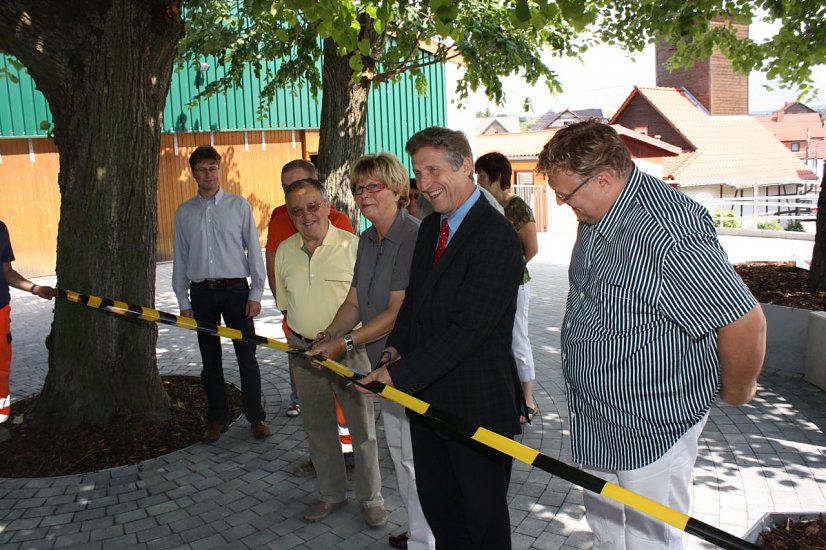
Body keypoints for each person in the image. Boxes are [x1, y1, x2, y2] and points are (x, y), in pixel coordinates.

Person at [536, 120, 766, 550]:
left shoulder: (665, 233)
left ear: (603, 179)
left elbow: (744, 321)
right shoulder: (600, 213)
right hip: (599, 419)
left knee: (649, 540)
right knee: (609, 531)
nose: (565, 205)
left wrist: (736, 391)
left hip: (650, 426)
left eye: (566, 196)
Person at [359, 127, 524, 549]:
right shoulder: (432, 227)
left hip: (477, 408)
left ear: (465, 166)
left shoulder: (496, 236)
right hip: (426, 402)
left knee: (482, 521)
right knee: (440, 508)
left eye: (434, 169)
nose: (425, 182)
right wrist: (397, 347)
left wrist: (397, 375)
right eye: (418, 172)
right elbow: (415, 301)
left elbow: (470, 329)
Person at [306, 153, 434, 550]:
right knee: (398, 452)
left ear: (397, 189)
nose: (363, 195)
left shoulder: (413, 235)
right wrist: (329, 333)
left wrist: (344, 343)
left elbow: (397, 312)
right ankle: (418, 530)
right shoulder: (367, 238)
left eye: (372, 186)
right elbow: (355, 301)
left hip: (412, 363)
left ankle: (429, 537)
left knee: (417, 458)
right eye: (358, 188)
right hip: (383, 361)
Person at [274, 178, 387, 528]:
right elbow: (284, 303)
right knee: (318, 428)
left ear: (327, 206)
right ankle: (331, 494)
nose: (306, 215)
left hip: (349, 350)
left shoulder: (355, 247)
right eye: (297, 210)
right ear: (289, 215)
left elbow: (369, 306)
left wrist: (345, 338)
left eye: (312, 206)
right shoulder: (284, 251)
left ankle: (372, 500)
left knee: (362, 430)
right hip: (304, 351)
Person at [172, 145, 270, 443]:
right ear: (193, 173)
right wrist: (183, 301)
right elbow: (181, 257)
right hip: (202, 293)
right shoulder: (184, 212)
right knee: (210, 360)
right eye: (202, 169)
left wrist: (255, 293)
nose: (208, 174)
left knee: (247, 358)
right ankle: (217, 418)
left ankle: (256, 417)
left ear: (219, 170)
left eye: (213, 168)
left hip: (236, 292)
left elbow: (254, 250)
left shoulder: (239, 206)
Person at [264, 159, 354, 418]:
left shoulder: (340, 222)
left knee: (349, 407)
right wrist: (290, 310)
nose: (295, 191)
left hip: (340, 332)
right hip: (298, 325)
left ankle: (348, 445)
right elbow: (275, 272)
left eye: (299, 182)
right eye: (287, 187)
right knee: (313, 402)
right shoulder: (279, 220)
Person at [475, 152, 539, 423]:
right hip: (492, 285)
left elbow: (531, 249)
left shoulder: (517, 207)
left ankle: (528, 400)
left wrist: (506, 269)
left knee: (518, 338)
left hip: (515, 284)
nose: (477, 182)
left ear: (496, 178)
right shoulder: (483, 206)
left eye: (481, 177)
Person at [1, 221, 56, 435]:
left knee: (1, 370)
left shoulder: (0, 229)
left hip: (0, 312)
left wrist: (35, 288)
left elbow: (7, 271)